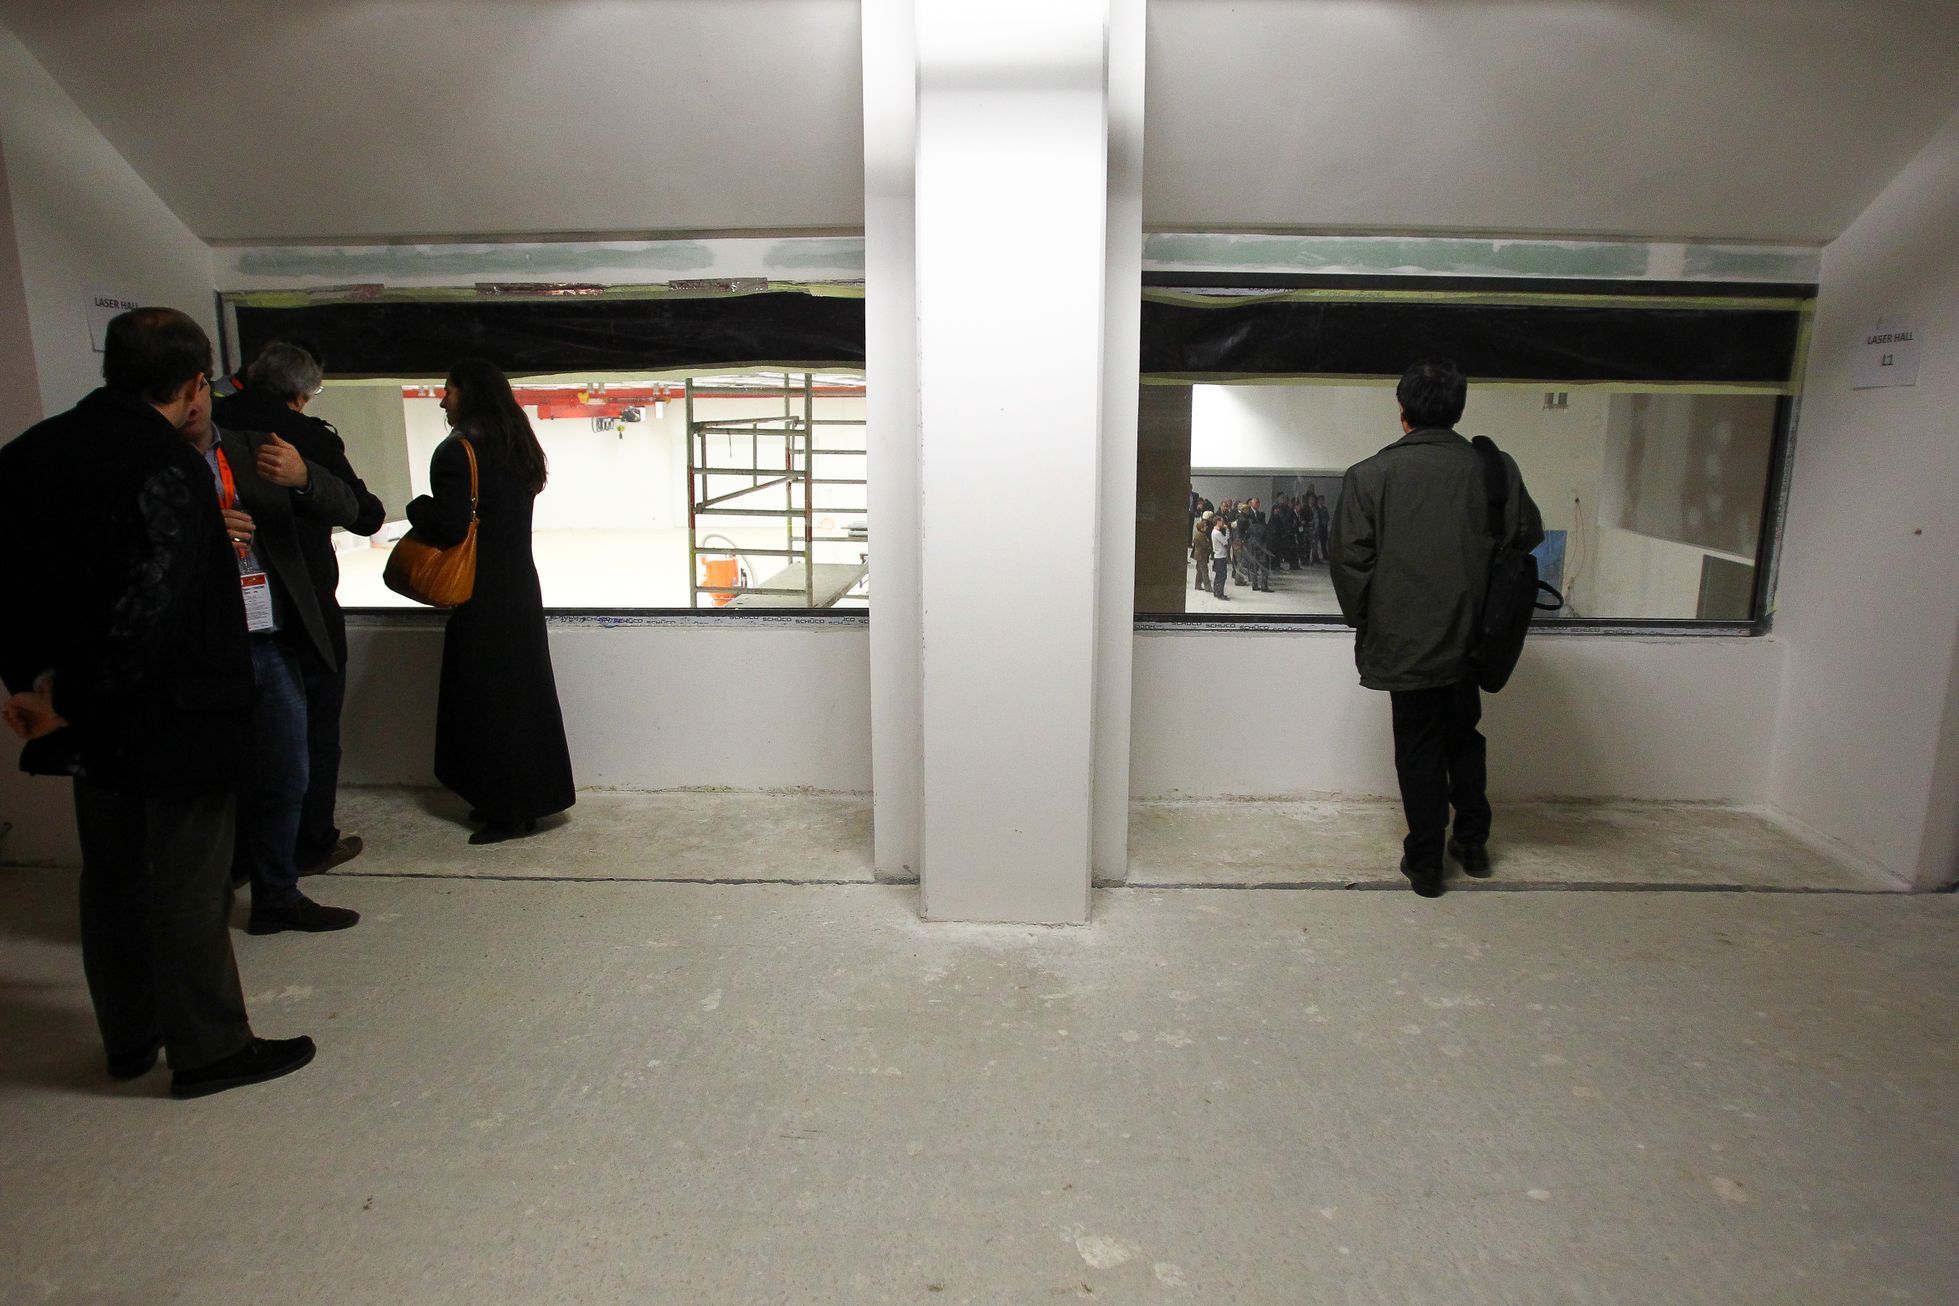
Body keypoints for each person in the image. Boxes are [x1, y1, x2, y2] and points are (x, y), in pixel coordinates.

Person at [0, 307, 314, 1096]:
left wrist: (34, 686)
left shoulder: (35, 452)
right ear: (190, 384)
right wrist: (76, 693)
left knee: (110, 878)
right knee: (187, 882)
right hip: (174, 711)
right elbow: (152, 601)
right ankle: (209, 1050)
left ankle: (130, 1039)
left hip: (81, 710)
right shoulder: (163, 464)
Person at [1329, 361, 1543, 899]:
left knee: (1418, 744)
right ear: (1458, 411)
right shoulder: (1496, 470)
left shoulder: (1369, 476)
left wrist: (1369, 621)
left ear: (1402, 412)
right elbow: (1526, 534)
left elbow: (1349, 562)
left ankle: (1425, 863)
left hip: (1405, 641)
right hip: (1475, 637)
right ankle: (1472, 843)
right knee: (1464, 736)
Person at [182, 386, 363, 933]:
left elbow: (354, 508)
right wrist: (199, 532)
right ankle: (196, 908)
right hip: (198, 647)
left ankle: (276, 897)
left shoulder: (257, 449)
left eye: (193, 389)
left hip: (269, 637)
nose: (188, 404)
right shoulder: (152, 465)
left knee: (288, 776)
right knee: (205, 786)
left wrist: (305, 477)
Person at [214, 342, 385, 874]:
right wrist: (309, 478)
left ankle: (243, 855)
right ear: (302, 393)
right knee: (315, 734)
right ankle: (311, 843)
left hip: (224, 616)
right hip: (306, 612)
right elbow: (367, 516)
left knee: (242, 740)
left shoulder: (209, 424)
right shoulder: (308, 438)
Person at [408, 358, 575, 844]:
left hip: (480, 594)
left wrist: (414, 507)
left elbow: (451, 525)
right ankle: (528, 802)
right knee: (523, 699)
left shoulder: (457, 450)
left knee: (483, 702)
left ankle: (502, 809)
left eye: (449, 391)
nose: (443, 400)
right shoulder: (517, 444)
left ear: (469, 393)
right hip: (519, 587)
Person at [1209, 512, 1231, 600]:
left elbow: (1225, 539)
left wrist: (1226, 530)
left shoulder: (1215, 532)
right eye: (1221, 521)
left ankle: (1216, 591)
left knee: (1219, 575)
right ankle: (1220, 593)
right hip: (1220, 556)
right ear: (1217, 522)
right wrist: (1227, 530)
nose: (1223, 523)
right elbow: (1225, 542)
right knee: (1222, 576)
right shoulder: (1217, 533)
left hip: (1218, 556)